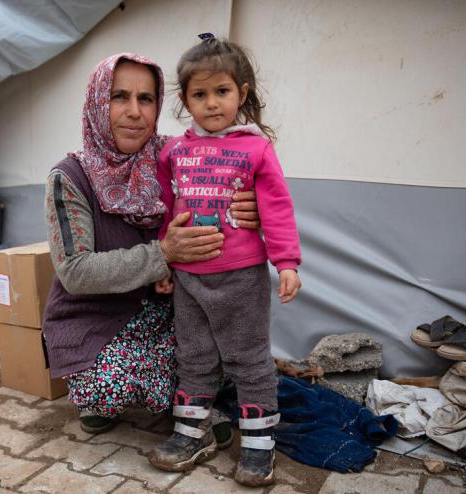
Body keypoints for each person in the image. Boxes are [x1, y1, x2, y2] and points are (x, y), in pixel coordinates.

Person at [41, 53, 259, 437]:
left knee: (224, 351)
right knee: (111, 385)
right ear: (96, 102)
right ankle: (118, 401)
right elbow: (75, 272)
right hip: (98, 322)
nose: (134, 112)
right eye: (119, 97)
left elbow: (238, 187)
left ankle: (177, 398)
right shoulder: (69, 177)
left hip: (170, 313)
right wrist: (163, 254)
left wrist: (249, 208)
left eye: (146, 99)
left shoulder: (179, 156)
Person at [147, 35, 302, 487]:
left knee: (249, 359)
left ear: (243, 92)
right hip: (189, 278)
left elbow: (276, 207)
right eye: (200, 94)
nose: (212, 103)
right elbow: (166, 208)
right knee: (192, 356)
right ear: (184, 100)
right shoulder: (172, 152)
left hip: (240, 278)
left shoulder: (256, 149)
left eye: (222, 92)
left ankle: (258, 445)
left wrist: (287, 262)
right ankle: (191, 432)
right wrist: (164, 266)